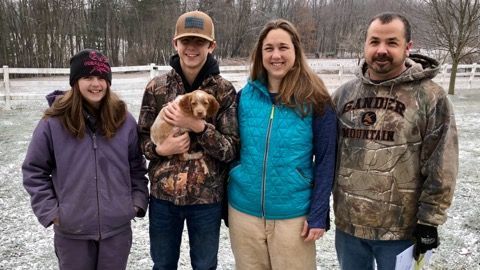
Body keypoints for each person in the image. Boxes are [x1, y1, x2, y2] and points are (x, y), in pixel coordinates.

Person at [332, 12, 458, 270]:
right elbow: (326, 156)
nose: (381, 50)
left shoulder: (430, 97)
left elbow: (441, 164)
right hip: (349, 227)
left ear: (408, 47)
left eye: (392, 42)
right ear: (365, 44)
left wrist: (429, 221)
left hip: (401, 233)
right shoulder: (343, 95)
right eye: (374, 41)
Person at [22, 49, 149, 270]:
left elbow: (136, 166)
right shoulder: (53, 123)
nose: (96, 84)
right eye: (88, 77)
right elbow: (34, 170)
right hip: (72, 233)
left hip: (116, 232)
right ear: (75, 81)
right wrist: (52, 212)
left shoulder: (123, 120)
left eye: (101, 77)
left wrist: (136, 202)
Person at [227, 19, 337, 270]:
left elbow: (327, 160)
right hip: (244, 213)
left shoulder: (316, 100)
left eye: (283, 47)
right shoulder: (245, 96)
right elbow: (232, 146)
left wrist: (318, 213)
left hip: (293, 216)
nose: (276, 55)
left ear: (296, 51)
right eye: (269, 48)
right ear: (260, 54)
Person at [137, 10, 239, 270]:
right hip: (163, 198)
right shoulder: (156, 88)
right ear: (176, 44)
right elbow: (142, 140)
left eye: (199, 42)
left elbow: (231, 149)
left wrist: (197, 126)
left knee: (205, 267)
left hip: (207, 201)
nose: (192, 48)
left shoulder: (224, 91)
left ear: (211, 46)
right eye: (186, 41)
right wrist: (161, 149)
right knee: (162, 265)